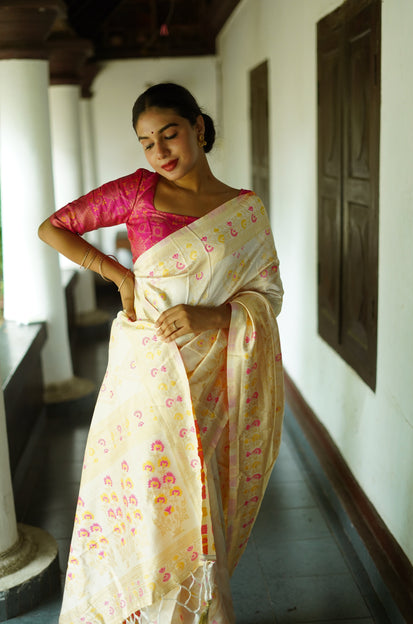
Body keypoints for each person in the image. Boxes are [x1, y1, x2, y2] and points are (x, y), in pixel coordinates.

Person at [38, 82, 284, 624]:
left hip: (210, 372)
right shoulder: (139, 192)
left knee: (198, 493)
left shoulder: (243, 211)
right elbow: (52, 227)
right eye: (146, 143)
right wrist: (119, 275)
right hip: (145, 372)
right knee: (144, 488)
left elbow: (267, 294)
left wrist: (217, 316)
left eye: (169, 134)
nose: (159, 152)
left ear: (198, 126)